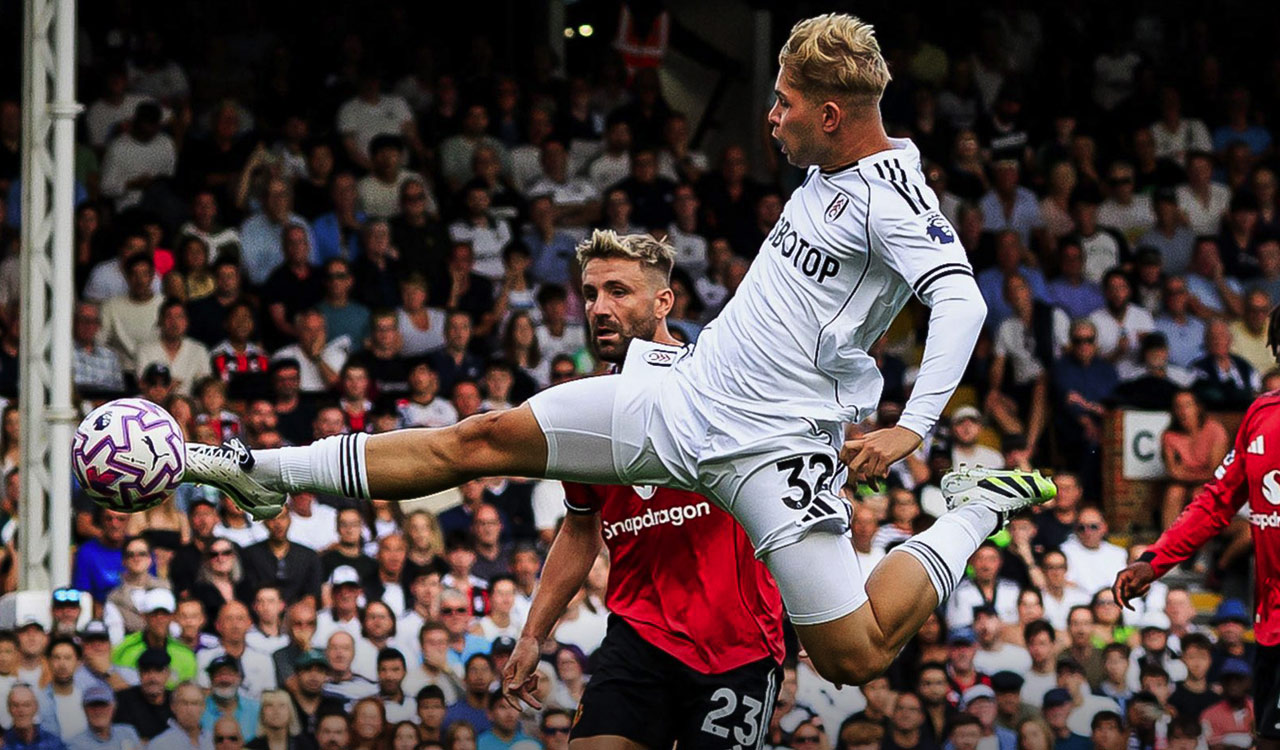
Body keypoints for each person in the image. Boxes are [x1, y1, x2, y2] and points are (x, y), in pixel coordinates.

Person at [183, 13, 1055, 688]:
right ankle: (264, 472)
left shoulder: (894, 201)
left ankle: (975, 508)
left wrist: (912, 427)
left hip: (776, 448)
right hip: (682, 399)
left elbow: (962, 300)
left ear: (832, 115)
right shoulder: (827, 169)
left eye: (785, 102)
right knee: (478, 439)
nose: (771, 115)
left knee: (852, 656)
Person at [498, 237, 786, 747]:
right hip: (638, 640)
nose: (599, 309)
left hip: (737, 647)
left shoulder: (722, 389)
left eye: (618, 292)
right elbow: (580, 529)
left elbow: (787, 503)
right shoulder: (587, 412)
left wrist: (812, 610)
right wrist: (532, 635)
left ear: (663, 302)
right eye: (590, 294)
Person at [113, 648, 174, 740]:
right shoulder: (123, 701)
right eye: (146, 671)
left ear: (168, 674)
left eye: (158, 670)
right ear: (139, 674)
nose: (152, 678)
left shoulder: (177, 700)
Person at [66, 684, 141, 750]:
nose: (98, 711)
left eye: (103, 705)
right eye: (92, 705)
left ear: (114, 707)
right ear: (84, 709)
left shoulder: (128, 733)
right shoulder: (76, 745)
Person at [145, 682, 211, 750]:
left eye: (195, 703)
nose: (190, 709)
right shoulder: (159, 745)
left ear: (203, 707)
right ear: (173, 707)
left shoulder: (213, 740)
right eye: (184, 703)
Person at [5, 684, 66, 750]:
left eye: (26, 705)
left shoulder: (53, 743)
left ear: (36, 708)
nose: (21, 710)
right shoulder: (3, 743)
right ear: (9, 709)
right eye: (15, 705)